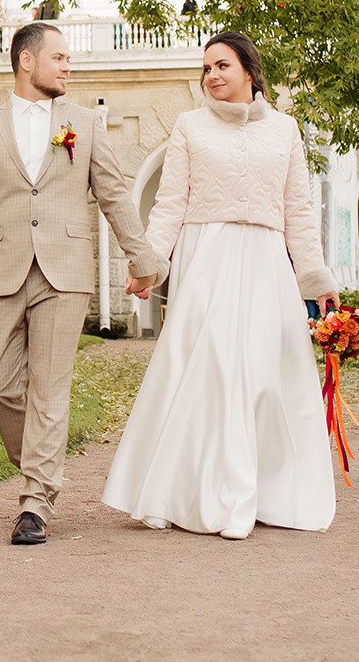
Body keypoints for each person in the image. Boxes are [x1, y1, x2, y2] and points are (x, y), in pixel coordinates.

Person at [101, 30, 340, 540]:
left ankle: (269, 491)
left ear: (249, 71)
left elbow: (299, 212)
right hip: (206, 258)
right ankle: (200, 493)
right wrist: (149, 265)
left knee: (264, 374)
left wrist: (316, 279)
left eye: (222, 65)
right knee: (211, 369)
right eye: (206, 67)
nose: (211, 75)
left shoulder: (286, 131)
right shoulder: (189, 127)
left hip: (266, 262)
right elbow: (169, 205)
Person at [0, 23, 165, 546]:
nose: (69, 67)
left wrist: (142, 258)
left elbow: (114, 194)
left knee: (50, 386)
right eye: (60, 58)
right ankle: (41, 464)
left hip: (64, 272)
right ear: (26, 61)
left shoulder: (84, 124)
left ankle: (36, 501)